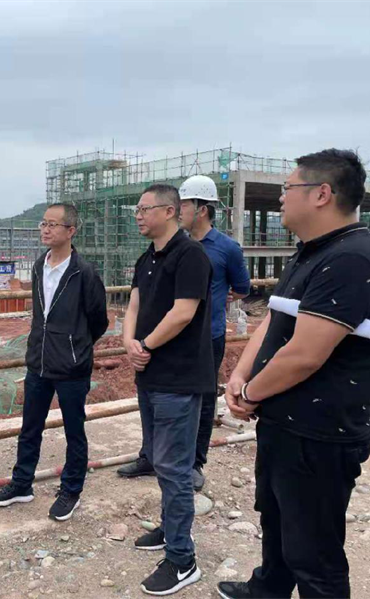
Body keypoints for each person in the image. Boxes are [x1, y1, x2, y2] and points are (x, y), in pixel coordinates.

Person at [217, 149, 370, 599]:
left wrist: (251, 394)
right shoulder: (312, 253)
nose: (281, 198)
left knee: (315, 553)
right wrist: (240, 376)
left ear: (321, 194)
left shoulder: (352, 260)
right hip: (285, 423)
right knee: (277, 520)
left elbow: (304, 355)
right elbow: (274, 320)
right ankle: (268, 589)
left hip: (319, 434)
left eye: (288, 188)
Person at [117, 175, 251, 491]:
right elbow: (136, 305)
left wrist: (213, 302)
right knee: (153, 401)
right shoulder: (158, 252)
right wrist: (134, 343)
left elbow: (241, 288)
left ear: (201, 208)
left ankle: (193, 464)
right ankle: (151, 455)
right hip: (159, 341)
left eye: (186, 204)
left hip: (205, 336)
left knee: (200, 402)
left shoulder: (222, 249)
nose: (181, 211)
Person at [0, 203, 108, 521]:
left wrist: (75, 348)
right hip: (38, 362)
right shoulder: (40, 265)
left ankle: (71, 490)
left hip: (71, 367)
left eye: (53, 225)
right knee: (30, 427)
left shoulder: (84, 272)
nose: (45, 229)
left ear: (71, 231)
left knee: (74, 430)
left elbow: (99, 320)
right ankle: (21, 484)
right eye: (43, 224)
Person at [123, 184, 214, 596]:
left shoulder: (190, 254)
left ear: (170, 211)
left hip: (178, 378)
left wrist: (144, 345)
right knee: (161, 462)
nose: (138, 215)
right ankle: (169, 529)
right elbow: (134, 305)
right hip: (150, 376)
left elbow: (183, 313)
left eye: (145, 209)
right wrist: (129, 342)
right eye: (137, 209)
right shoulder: (147, 257)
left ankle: (182, 559)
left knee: (175, 468)